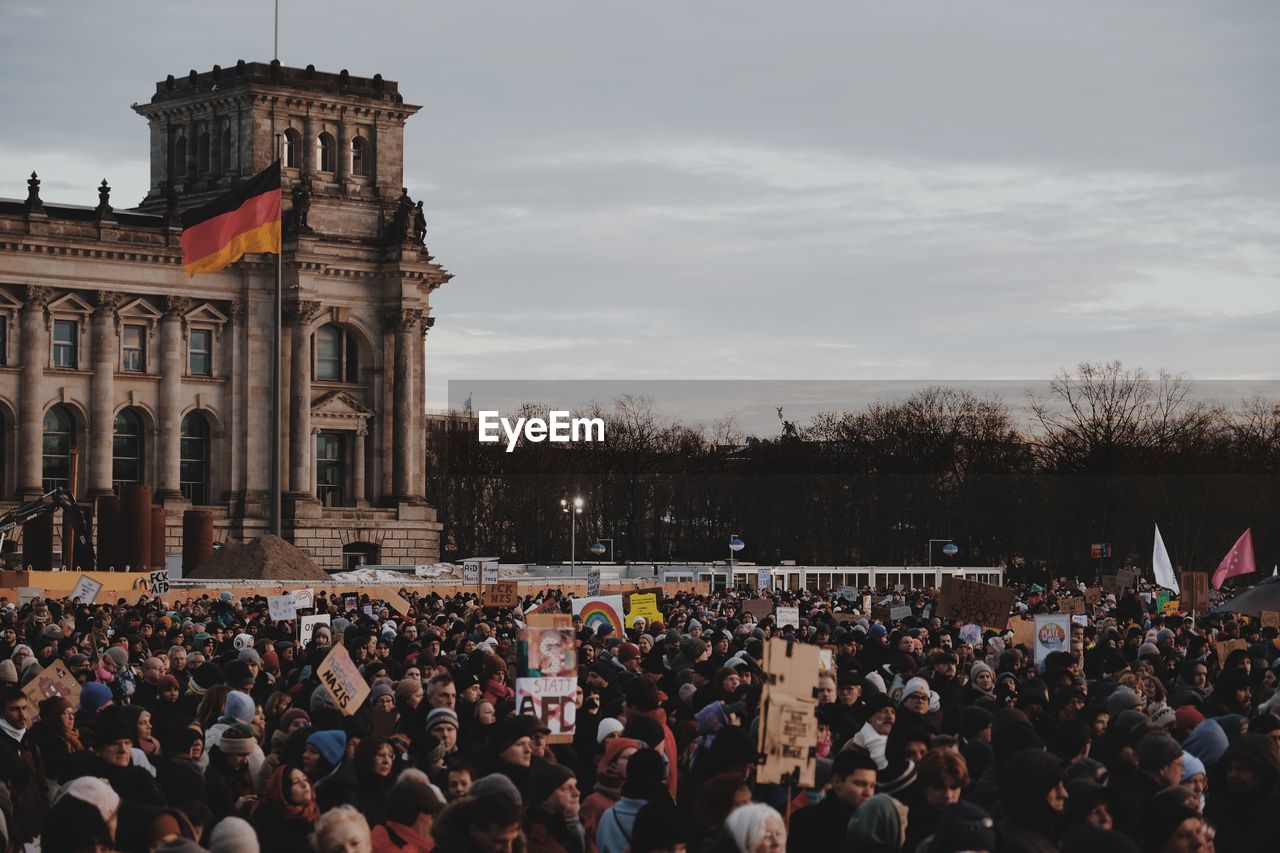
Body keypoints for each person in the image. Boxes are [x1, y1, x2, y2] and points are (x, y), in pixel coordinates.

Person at [787, 749, 877, 852]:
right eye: (860, 784)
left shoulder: (874, 826)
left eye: (872, 786)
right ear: (836, 782)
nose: (868, 792)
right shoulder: (806, 821)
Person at [371, 772, 445, 853]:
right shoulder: (402, 849)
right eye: (433, 816)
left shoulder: (380, 836)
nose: (437, 823)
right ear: (417, 816)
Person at [252, 765, 321, 849]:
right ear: (283, 790)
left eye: (305, 779)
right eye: (295, 782)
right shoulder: (270, 823)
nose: (304, 785)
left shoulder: (315, 812)